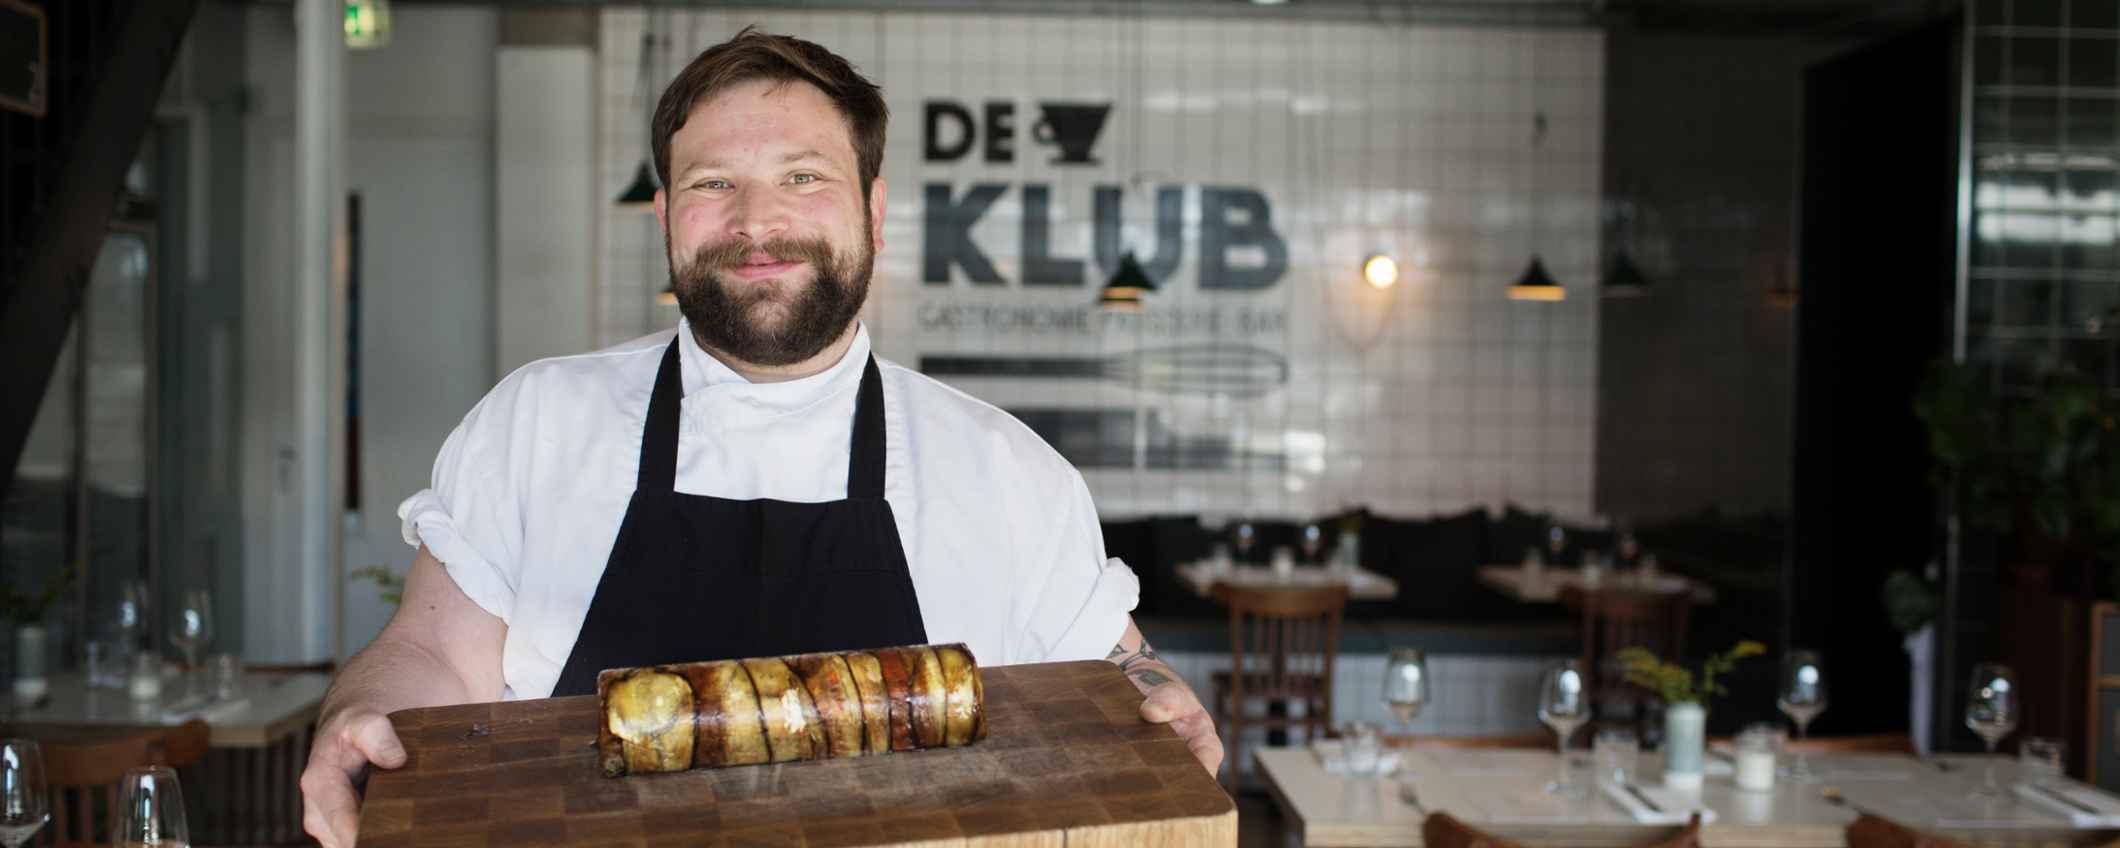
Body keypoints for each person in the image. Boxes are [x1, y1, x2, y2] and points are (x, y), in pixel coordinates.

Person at [298, 27, 1220, 846]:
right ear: (665, 219)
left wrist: (1155, 700)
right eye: (713, 183)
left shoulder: (1005, 467)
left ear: (875, 210)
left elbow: (1112, 665)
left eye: (803, 177)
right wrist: (364, 708)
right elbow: (429, 651)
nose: (756, 223)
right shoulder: (539, 422)